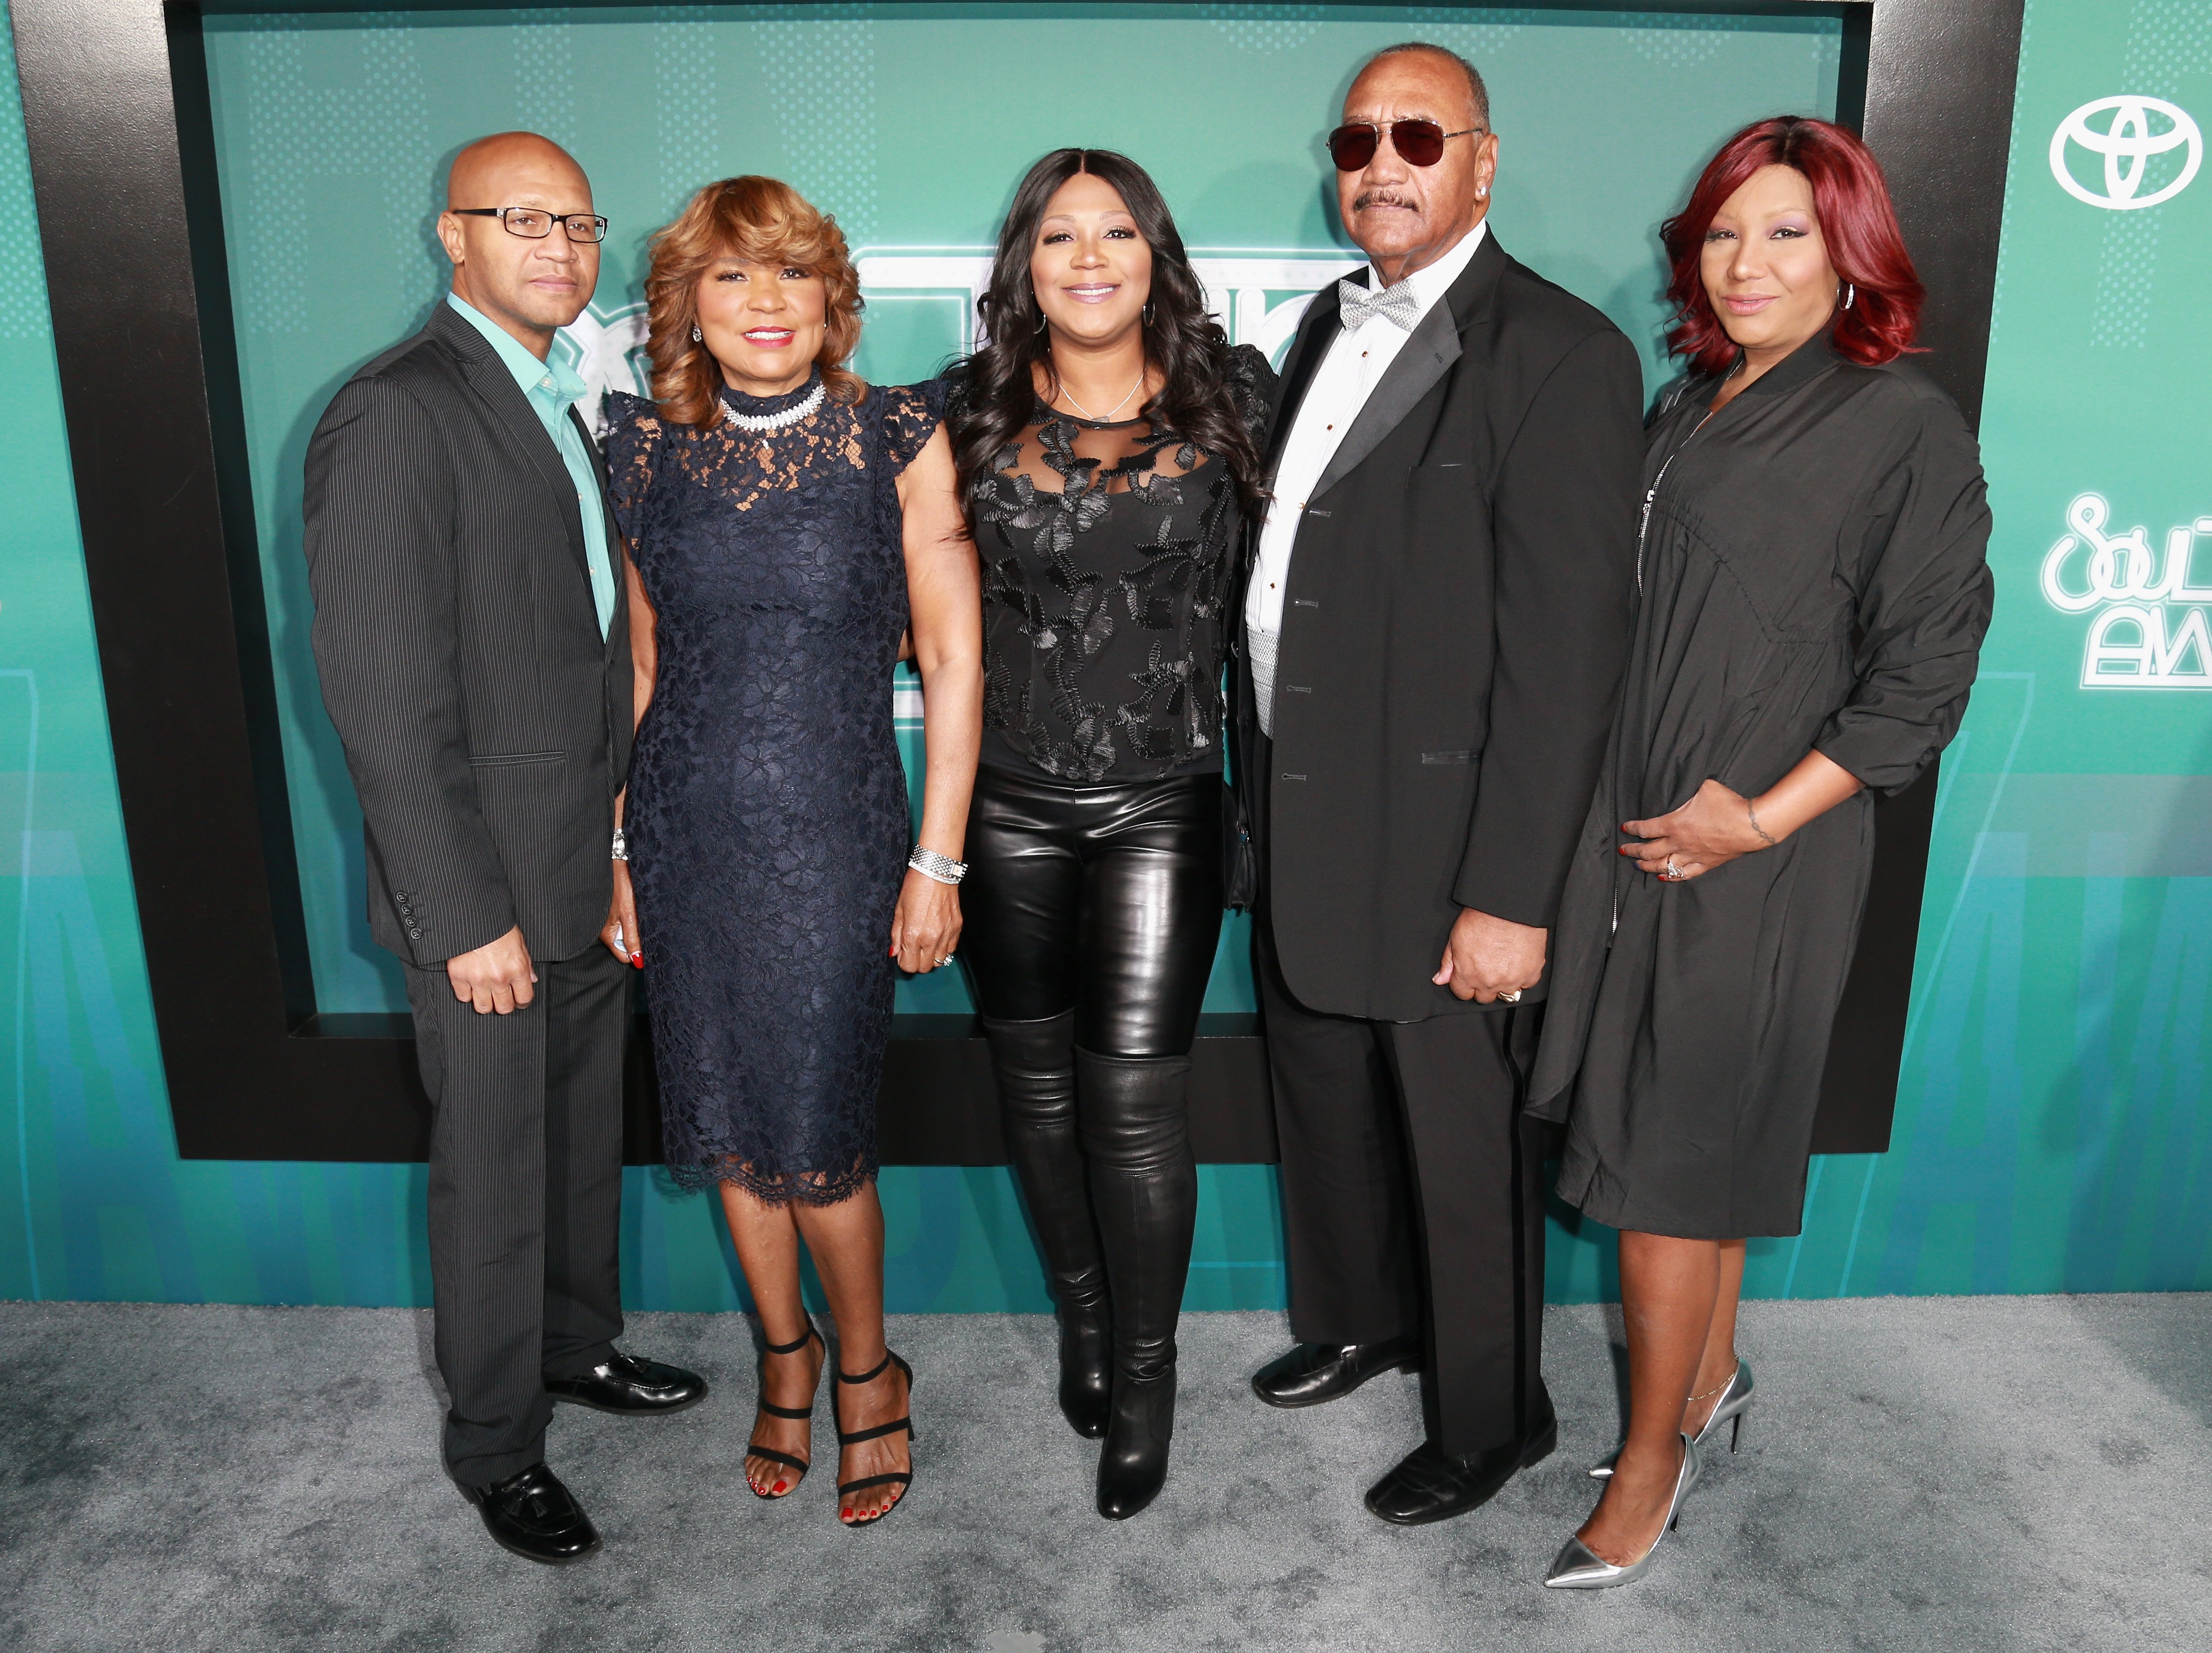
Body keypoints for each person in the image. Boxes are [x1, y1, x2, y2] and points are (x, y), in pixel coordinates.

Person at [1529, 117, 1994, 1589]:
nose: (1747, 262)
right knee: (1697, 1144)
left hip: (1764, 854)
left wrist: (1757, 819)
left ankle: (1652, 1458)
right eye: (1726, 231)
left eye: (1787, 231)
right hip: (1644, 835)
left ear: (1852, 253)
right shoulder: (1698, 400)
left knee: (1673, 1164)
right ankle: (1709, 1381)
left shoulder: (1898, 418)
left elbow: (1927, 669)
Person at [1235, 43, 1643, 1525]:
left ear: (1483, 157)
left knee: (1465, 1149)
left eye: (1418, 134)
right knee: (1324, 1090)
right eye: (1357, 140)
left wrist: (1510, 895)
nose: (1381, 163)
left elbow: (1568, 659)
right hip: (1300, 806)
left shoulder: (1562, 352)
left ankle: (1494, 1415)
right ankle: (1361, 1320)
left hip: (1451, 837)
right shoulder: (1313, 331)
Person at [304, 132, 706, 1566]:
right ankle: (494, 1442)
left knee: (580, 1139)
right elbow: (388, 703)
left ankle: (576, 1345)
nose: (557, 245)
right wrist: (460, 911)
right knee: (492, 1166)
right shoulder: (397, 413)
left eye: (577, 222)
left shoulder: (553, 403)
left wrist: (606, 851)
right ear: (449, 236)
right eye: (518, 218)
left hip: (577, 871)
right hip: (481, 892)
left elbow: (572, 661)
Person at [600, 176, 980, 1530]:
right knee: (731, 1135)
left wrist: (937, 861)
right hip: (689, 829)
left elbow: (950, 653)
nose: (767, 303)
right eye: (732, 277)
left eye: (794, 275)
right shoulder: (641, 448)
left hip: (838, 834)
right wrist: (620, 847)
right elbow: (643, 665)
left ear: (834, 300)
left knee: (818, 1137)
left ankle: (869, 1371)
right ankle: (785, 1356)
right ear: (687, 309)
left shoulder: (896, 435)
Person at [944, 149, 1275, 1521]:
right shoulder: (960, 414)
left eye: (1117, 232)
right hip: (1006, 803)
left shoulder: (1237, 398)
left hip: (1161, 799)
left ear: (1156, 255)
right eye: (1060, 235)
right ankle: (1083, 1320)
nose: (1089, 257)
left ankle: (1146, 1374)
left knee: (1134, 1108)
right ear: (1025, 263)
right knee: (1034, 1093)